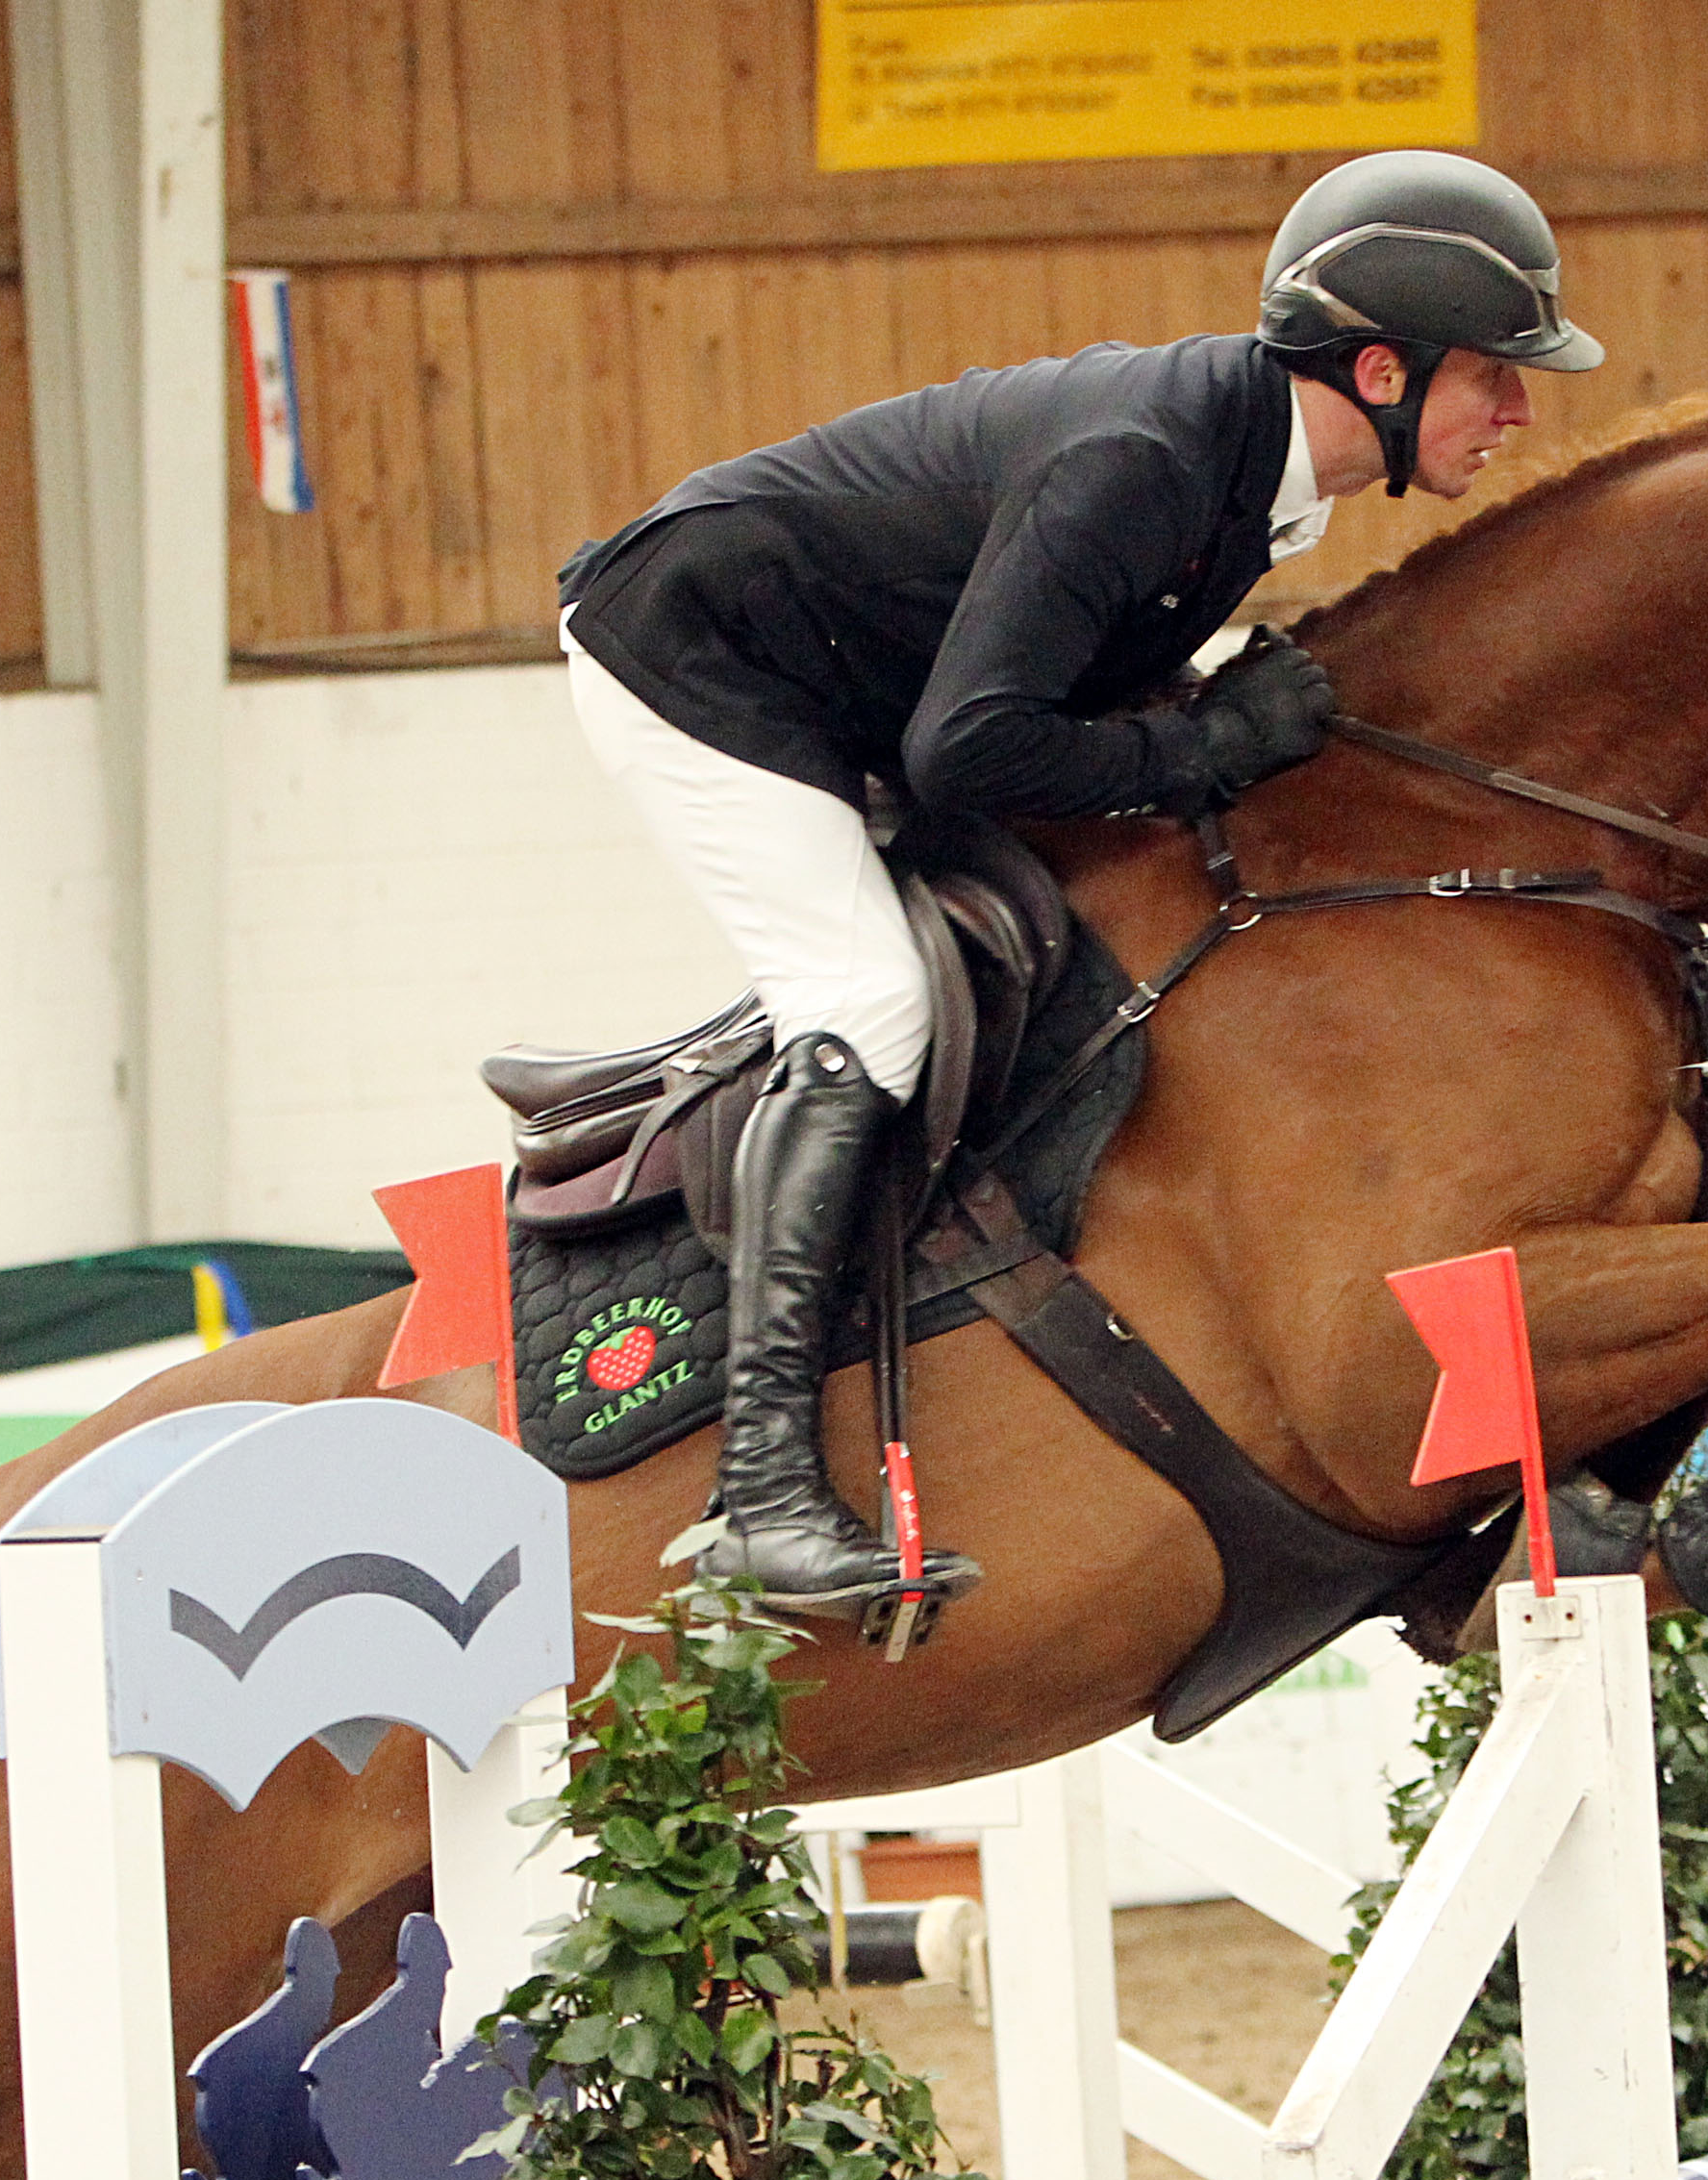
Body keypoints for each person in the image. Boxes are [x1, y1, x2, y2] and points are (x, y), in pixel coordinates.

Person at [555, 148, 1604, 1620]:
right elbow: (971, 745)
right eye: (1495, 375)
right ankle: (764, 1492)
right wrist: (1200, 750)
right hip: (699, 661)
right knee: (866, 999)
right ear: (1380, 370)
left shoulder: (1259, 481)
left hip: (850, 679)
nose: (1520, 412)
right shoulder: (1154, 464)